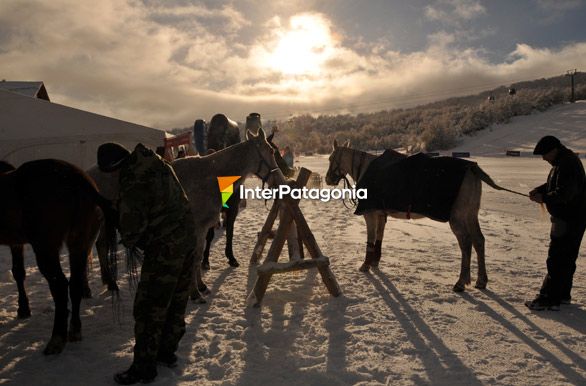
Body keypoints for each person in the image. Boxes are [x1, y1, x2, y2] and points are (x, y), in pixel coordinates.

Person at [97, 142, 197, 384]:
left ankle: (143, 367)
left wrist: (116, 215)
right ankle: (166, 352)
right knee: (175, 300)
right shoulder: (158, 164)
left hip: (165, 247)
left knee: (149, 307)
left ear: (115, 167)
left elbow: (131, 233)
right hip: (188, 238)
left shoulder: (134, 181)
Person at [526, 135, 586, 311]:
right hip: (574, 218)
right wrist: (540, 190)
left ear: (554, 150)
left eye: (545, 154)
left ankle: (549, 298)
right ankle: (562, 295)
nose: (544, 158)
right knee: (566, 258)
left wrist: (543, 197)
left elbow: (565, 193)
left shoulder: (567, 164)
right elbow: (556, 185)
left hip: (568, 219)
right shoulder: (564, 162)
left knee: (557, 258)